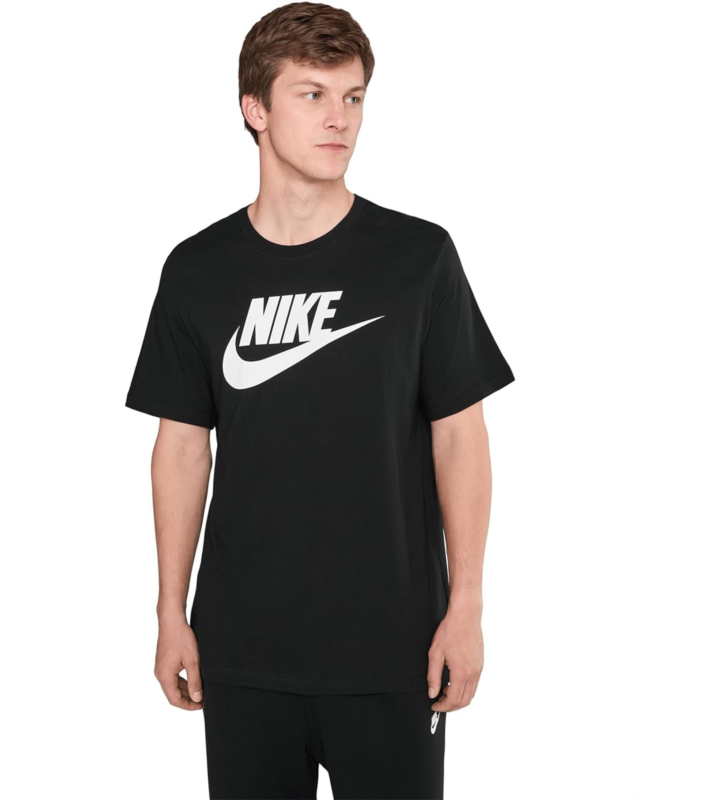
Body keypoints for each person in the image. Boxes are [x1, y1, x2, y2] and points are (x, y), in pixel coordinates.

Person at [124, 2, 515, 797]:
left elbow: (460, 436)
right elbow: (182, 447)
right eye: (312, 95)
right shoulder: (196, 270)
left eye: (353, 96)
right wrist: (170, 611)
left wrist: (467, 606)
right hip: (244, 651)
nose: (340, 118)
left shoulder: (419, 258)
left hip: (395, 648)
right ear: (255, 109)